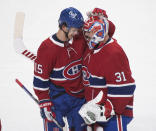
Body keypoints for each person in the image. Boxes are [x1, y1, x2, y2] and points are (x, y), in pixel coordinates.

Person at [79, 10, 136, 131]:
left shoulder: (113, 53)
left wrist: (106, 110)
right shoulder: (93, 48)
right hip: (95, 113)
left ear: (98, 34)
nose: (86, 38)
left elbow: (125, 88)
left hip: (114, 115)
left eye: (88, 36)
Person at [33, 7, 87, 131]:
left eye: (78, 30)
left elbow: (105, 35)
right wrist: (45, 103)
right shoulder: (47, 48)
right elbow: (40, 80)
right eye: (74, 30)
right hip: (57, 99)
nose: (77, 33)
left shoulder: (79, 39)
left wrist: (99, 19)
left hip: (79, 99)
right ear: (63, 26)